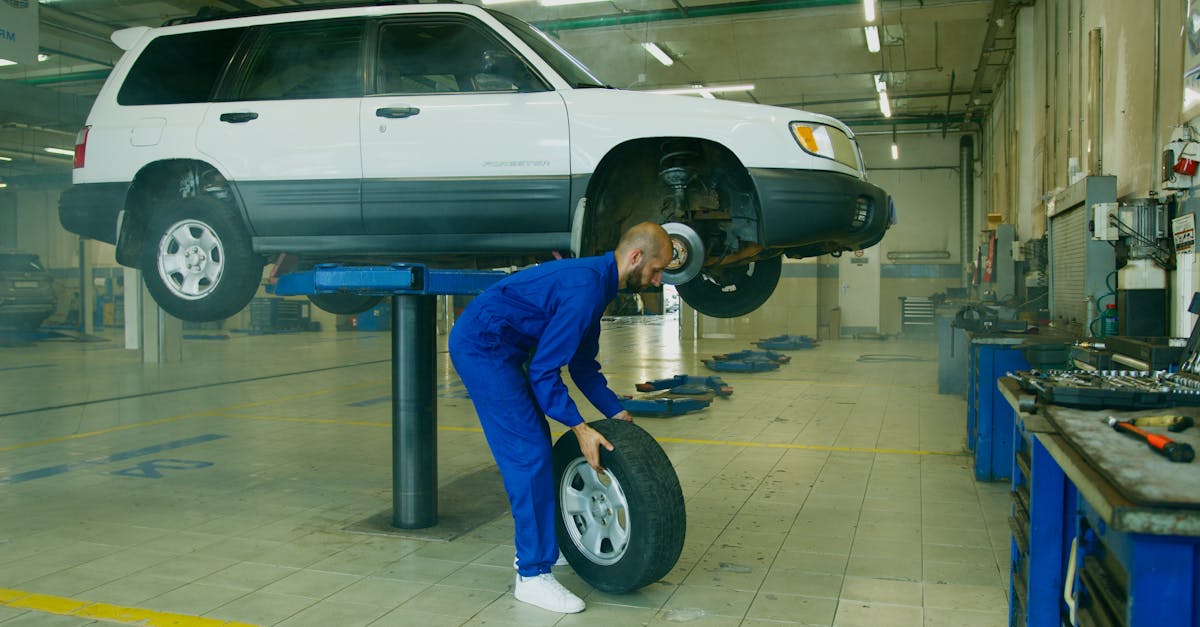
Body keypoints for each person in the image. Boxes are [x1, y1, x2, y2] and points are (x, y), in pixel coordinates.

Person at [448, 222, 672, 613]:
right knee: (529, 452)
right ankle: (531, 575)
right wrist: (579, 428)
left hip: (507, 347)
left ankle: (547, 541)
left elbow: (583, 365)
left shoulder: (598, 286)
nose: (656, 280)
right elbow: (544, 372)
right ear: (635, 257)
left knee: (538, 448)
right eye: (656, 270)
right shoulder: (585, 288)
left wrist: (616, 413)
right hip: (482, 346)